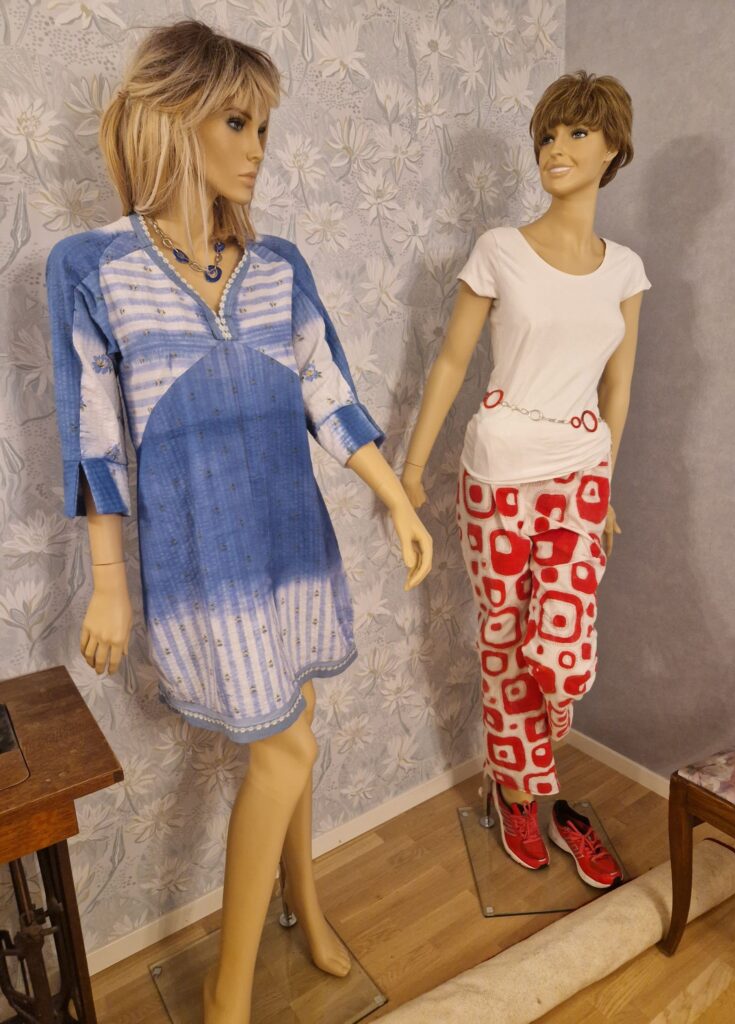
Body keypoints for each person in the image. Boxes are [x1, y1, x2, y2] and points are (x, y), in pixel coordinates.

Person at [45, 19, 432, 1024]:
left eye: (264, 126)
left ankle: (305, 900)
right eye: (237, 121)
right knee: (286, 748)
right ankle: (227, 997)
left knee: (297, 724)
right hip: (204, 563)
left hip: (292, 544)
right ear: (176, 118)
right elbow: (94, 440)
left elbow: (328, 393)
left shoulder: (278, 265)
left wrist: (394, 496)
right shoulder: (94, 270)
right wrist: (109, 583)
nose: (258, 147)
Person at [402, 70, 651, 890]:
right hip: (498, 476)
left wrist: (606, 488)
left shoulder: (625, 271)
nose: (555, 148)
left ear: (613, 149)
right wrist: (411, 468)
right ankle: (521, 795)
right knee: (506, 645)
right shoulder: (499, 251)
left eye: (576, 133)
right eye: (547, 134)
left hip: (580, 475)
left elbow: (618, 388)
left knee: (561, 654)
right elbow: (450, 362)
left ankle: (524, 773)